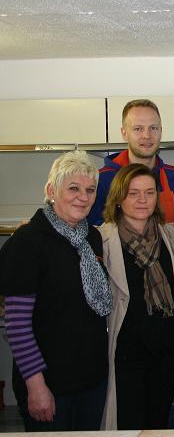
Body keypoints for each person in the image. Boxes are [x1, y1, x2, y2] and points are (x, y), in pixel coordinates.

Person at [0, 150, 111, 432]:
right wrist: (36, 386)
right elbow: (17, 325)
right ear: (51, 190)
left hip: (91, 382)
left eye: (90, 190)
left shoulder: (92, 237)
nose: (83, 197)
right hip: (50, 385)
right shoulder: (27, 243)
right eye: (73, 188)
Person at [99, 163, 174, 430]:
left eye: (149, 192)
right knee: (129, 427)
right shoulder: (102, 238)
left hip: (166, 357)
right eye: (133, 193)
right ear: (119, 198)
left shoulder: (170, 235)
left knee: (158, 427)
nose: (142, 200)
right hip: (127, 357)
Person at [88, 99, 174, 229]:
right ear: (124, 133)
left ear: (161, 131)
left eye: (153, 128)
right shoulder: (101, 181)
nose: (147, 135)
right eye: (138, 129)